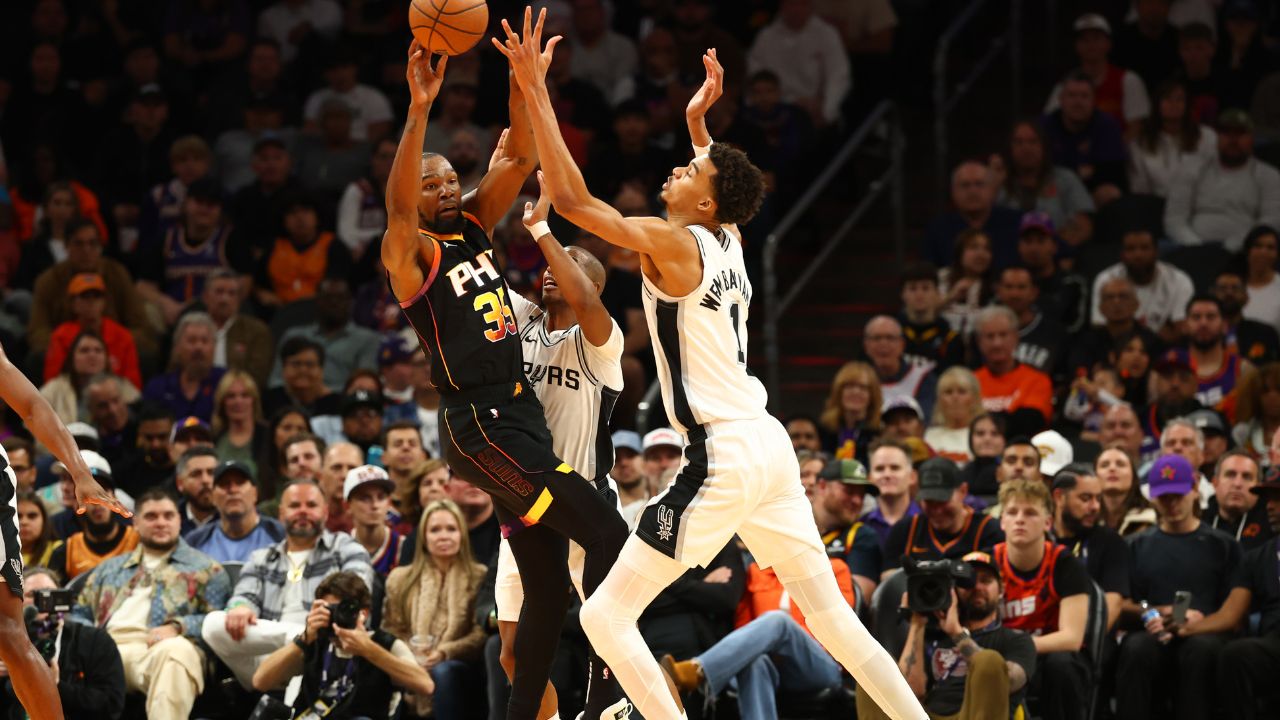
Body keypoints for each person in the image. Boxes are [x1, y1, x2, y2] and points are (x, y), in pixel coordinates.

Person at [498, 18, 929, 719]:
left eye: (688, 168)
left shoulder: (675, 244)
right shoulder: (726, 235)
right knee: (835, 620)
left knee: (605, 618)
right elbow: (725, 186)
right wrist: (702, 128)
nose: (677, 166)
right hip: (769, 445)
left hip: (723, 454)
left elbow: (575, 204)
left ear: (702, 201)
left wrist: (535, 89)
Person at [384, 29, 633, 720]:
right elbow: (399, 204)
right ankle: (613, 692)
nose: (439, 190)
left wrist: (527, 82)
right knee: (608, 534)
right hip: (479, 424)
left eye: (446, 181)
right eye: (429, 182)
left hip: (517, 417)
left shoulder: (469, 224)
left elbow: (522, 154)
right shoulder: (410, 251)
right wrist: (418, 108)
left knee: (549, 591)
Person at [489, 170, 632, 718]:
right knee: (512, 652)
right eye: (550, 266)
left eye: (571, 270)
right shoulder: (521, 320)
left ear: (592, 287)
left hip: (585, 502)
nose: (553, 272)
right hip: (526, 502)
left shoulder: (601, 344)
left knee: (607, 635)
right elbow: (481, 274)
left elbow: (583, 299)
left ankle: (611, 711)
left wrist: (547, 230)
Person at [201, 479, 375, 691]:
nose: (303, 511)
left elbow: (356, 597)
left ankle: (302, 643)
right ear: (281, 514)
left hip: (322, 649)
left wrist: (311, 634)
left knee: (327, 635)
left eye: (311, 505)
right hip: (268, 660)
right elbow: (244, 595)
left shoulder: (346, 548)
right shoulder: (261, 557)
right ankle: (296, 637)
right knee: (213, 624)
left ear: (326, 512)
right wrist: (240, 607)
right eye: (294, 506)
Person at [71, 488, 229, 720]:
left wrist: (178, 627)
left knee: (176, 651)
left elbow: (220, 620)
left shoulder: (207, 569)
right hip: (107, 650)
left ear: (179, 520)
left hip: (159, 650)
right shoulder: (108, 569)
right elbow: (77, 613)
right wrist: (92, 640)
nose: (161, 523)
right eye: (151, 517)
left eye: (168, 516)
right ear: (135, 522)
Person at [1116, 454, 1240, 720]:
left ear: (1195, 489)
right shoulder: (1135, 546)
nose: (1171, 504)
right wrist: (1153, 611)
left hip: (1207, 633)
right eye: (1164, 497)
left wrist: (1202, 621)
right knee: (1135, 648)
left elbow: (1235, 609)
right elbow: (1125, 603)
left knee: (1201, 650)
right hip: (1152, 632)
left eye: (1177, 495)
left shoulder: (1224, 546)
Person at [857, 551, 1036, 720]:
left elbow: (1010, 680)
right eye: (968, 583)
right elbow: (910, 693)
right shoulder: (934, 635)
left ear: (1001, 590)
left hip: (975, 714)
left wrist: (957, 633)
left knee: (988, 660)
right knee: (876, 667)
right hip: (928, 715)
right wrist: (917, 624)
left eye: (986, 580)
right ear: (954, 591)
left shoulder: (1017, 639)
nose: (977, 587)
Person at [253, 571, 433, 719]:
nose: (335, 617)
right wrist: (304, 638)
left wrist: (368, 650)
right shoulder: (314, 640)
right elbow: (260, 681)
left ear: (364, 612)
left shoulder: (384, 644)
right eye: (328, 610)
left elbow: (425, 685)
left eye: (343, 609)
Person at [994, 479, 1092, 720]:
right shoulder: (986, 563)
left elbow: (1071, 638)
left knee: (1063, 666)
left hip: (1048, 658)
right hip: (1000, 657)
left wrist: (1019, 649)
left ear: (1048, 522)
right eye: (1012, 512)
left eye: (1030, 513)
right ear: (1002, 521)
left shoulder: (1065, 564)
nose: (1019, 519)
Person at [383, 499, 487, 719]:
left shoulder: (479, 576)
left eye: (451, 529)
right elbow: (391, 629)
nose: (443, 536)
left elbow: (479, 633)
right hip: (410, 665)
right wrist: (411, 658)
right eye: (435, 530)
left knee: (444, 671)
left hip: (460, 670)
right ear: (423, 537)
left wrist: (445, 652)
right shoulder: (400, 579)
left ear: (462, 534)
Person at [1198, 472, 1280, 718]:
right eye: (1267, 499)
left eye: (1278, 498)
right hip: (1275, 640)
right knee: (1236, 655)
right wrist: (1185, 628)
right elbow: (1231, 615)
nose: (1270, 506)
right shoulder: (1257, 556)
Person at [0, 567, 125, 720]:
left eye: (50, 593)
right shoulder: (5, 642)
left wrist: (54, 686)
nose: (42, 600)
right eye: (32, 594)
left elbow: (111, 705)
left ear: (62, 599)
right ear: (17, 599)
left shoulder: (94, 640)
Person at [1165, 109, 1280, 251]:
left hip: (1245, 252)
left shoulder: (1269, 176)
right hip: (1192, 249)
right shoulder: (1192, 169)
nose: (1233, 140)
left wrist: (1237, 245)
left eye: (1240, 133)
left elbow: (1271, 221)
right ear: (1217, 137)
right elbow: (1174, 218)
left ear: (1252, 138)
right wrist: (1195, 246)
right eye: (1227, 134)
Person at [1050, 466, 1131, 630]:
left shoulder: (1110, 541)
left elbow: (1112, 604)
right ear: (1059, 497)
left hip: (1089, 641)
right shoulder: (1040, 539)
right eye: (1085, 498)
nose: (1095, 507)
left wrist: (1074, 640)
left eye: (1098, 499)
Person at [1089, 228, 1194, 342]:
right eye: (1131, 249)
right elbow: (1100, 326)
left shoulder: (1179, 280)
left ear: (1156, 252)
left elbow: (1182, 330)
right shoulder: (1106, 279)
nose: (1138, 255)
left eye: (1145, 248)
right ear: (1122, 254)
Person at [972, 306, 1053, 436]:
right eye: (990, 336)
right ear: (979, 341)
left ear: (1016, 337)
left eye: (1003, 335)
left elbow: (1029, 423)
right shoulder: (970, 382)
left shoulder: (1037, 380)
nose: (997, 343)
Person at [185, 461, 286, 563]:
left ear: (255, 493)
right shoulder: (195, 542)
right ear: (213, 497)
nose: (233, 490)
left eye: (240, 482)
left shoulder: (280, 535)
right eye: (224, 484)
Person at [344, 465, 407, 577]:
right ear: (347, 506)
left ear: (389, 503)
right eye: (364, 498)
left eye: (381, 497)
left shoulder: (404, 547)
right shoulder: (339, 550)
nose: (375, 505)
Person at [1203, 449, 1272, 549]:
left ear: (1258, 488)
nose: (1237, 484)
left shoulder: (1271, 524)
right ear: (1215, 483)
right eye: (1230, 475)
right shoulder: (1198, 519)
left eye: (1247, 477)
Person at [818, 361, 883, 463]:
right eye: (849, 386)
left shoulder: (880, 434)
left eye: (863, 387)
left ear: (872, 395)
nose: (856, 392)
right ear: (839, 392)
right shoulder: (823, 432)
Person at [1095, 444, 1156, 536]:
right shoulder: (1087, 521)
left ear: (1133, 476)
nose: (1112, 468)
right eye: (1104, 465)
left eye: (1120, 464)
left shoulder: (1151, 519)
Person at [16, 491, 61, 571]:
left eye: (32, 516)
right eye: (18, 516)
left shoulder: (59, 550)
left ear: (44, 520)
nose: (24, 522)